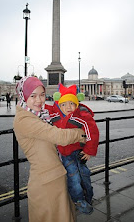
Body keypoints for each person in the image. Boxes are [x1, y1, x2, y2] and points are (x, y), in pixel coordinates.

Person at [13, 76, 86, 222]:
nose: (39, 100)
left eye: (41, 95)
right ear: (23, 96)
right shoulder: (25, 120)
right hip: (46, 185)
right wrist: (81, 134)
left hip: (55, 178)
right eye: (33, 96)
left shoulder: (39, 115)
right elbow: (58, 136)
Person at [45, 84, 99, 214]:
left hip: (80, 152)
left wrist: (88, 151)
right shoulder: (54, 113)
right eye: (64, 104)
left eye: (71, 103)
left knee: (85, 175)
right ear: (59, 104)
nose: (68, 107)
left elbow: (92, 132)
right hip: (65, 153)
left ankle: (88, 196)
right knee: (73, 177)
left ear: (76, 103)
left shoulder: (82, 115)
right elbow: (41, 107)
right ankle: (79, 200)